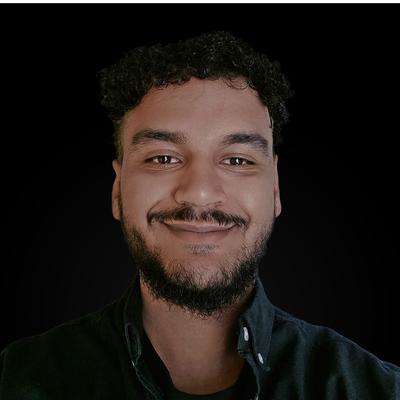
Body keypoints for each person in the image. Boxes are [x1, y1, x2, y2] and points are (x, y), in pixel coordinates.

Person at [0, 31, 398, 400]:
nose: (200, 192)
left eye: (237, 160)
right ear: (118, 190)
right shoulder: (16, 379)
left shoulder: (376, 389)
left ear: (275, 189)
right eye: (163, 158)